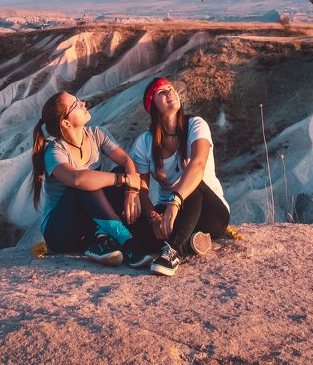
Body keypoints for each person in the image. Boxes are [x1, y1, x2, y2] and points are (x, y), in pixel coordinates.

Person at [31, 91, 153, 269]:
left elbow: (127, 162)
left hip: (88, 222)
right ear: (65, 122)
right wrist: (124, 179)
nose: (83, 103)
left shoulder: (97, 134)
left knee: (108, 175)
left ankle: (100, 241)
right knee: (85, 181)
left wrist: (131, 191)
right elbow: (77, 179)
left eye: (79, 100)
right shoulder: (54, 151)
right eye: (76, 104)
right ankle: (128, 244)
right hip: (60, 232)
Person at [131, 77, 230, 276]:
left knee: (192, 181)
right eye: (162, 92)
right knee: (136, 225)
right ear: (152, 106)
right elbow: (141, 188)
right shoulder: (144, 142)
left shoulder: (196, 125)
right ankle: (192, 243)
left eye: (171, 88)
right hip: (173, 213)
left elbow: (198, 164)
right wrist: (153, 218)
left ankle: (174, 250)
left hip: (211, 211)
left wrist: (175, 201)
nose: (170, 93)